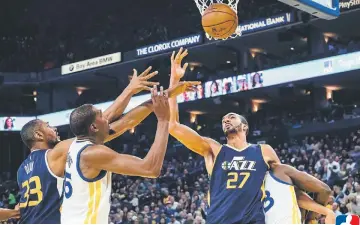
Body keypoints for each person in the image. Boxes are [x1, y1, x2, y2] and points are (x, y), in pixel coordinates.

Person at [16, 67, 160, 224]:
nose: (54, 128)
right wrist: (130, 91)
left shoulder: (21, 171)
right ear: (38, 135)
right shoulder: (57, 153)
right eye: (48, 126)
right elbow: (109, 123)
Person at [168, 48, 280, 224]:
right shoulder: (214, 149)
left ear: (245, 126)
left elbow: (284, 183)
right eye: (223, 119)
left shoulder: (263, 151)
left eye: (231, 117)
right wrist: (174, 82)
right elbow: (173, 127)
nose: (226, 120)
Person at [60, 86, 171, 224]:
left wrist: (166, 94)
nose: (107, 118)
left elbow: (126, 121)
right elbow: (150, 168)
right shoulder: (92, 153)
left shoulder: (76, 145)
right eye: (101, 116)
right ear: (93, 128)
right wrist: (163, 120)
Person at [264, 163, 335, 224]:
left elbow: (299, 197)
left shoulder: (260, 183)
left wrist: (326, 212)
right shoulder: (278, 172)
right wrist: (326, 212)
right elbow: (325, 190)